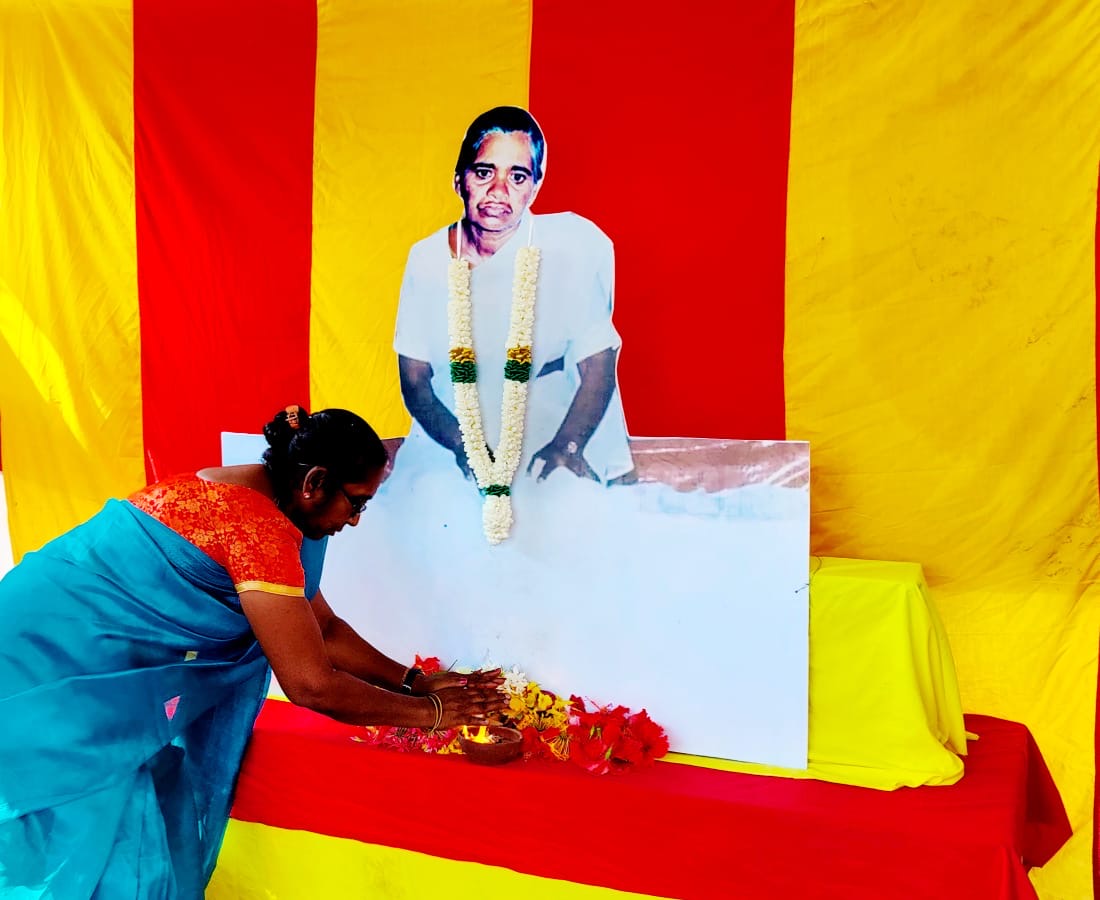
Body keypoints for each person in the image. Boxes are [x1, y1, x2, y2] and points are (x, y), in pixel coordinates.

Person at [0, 404, 505, 899]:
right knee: (83, 827)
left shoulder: (260, 500)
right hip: (46, 660)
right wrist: (433, 713)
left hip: (67, 644)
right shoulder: (255, 529)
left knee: (140, 814)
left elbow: (323, 628)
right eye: (356, 503)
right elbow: (310, 684)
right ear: (314, 483)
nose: (354, 521)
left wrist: (413, 681)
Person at [395, 105, 635, 493]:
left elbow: (598, 364)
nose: (498, 191)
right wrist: (462, 444)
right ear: (459, 180)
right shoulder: (427, 259)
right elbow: (414, 379)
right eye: (484, 172)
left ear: (535, 188)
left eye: (517, 176)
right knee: (421, 505)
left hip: (554, 421)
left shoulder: (568, 250)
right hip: (452, 427)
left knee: (568, 501)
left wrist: (566, 447)